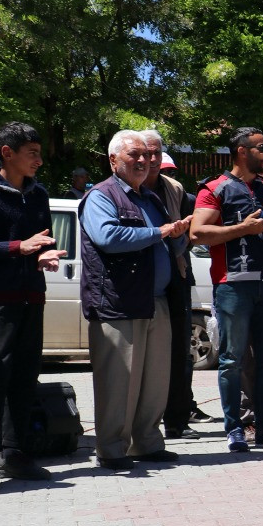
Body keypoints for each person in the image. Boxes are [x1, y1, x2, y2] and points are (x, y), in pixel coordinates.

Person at [0, 121, 67, 490]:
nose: (39, 160)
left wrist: (45, 256)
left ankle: (16, 454)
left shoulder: (39, 194)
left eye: (39, 153)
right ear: (7, 153)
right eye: (32, 153)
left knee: (25, 378)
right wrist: (18, 247)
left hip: (32, 297)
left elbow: (44, 241)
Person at [81, 131, 189, 470]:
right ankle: (112, 449)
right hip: (119, 302)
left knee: (154, 381)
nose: (144, 161)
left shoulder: (151, 197)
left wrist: (180, 234)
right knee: (119, 382)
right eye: (134, 155)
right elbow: (108, 237)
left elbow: (170, 243)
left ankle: (147, 443)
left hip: (156, 300)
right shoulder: (101, 195)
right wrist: (160, 232)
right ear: (113, 160)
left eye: (147, 155)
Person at [191, 126, 263, 452]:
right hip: (233, 286)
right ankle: (234, 430)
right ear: (242, 152)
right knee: (231, 360)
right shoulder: (215, 188)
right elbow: (197, 233)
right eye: (262, 148)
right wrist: (243, 228)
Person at [142, 139, 200, 442]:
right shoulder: (121, 190)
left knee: (179, 351)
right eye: (145, 153)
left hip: (176, 275)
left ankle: (177, 420)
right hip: (138, 280)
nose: (151, 159)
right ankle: (139, 426)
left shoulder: (176, 190)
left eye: (156, 153)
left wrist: (180, 236)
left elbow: (189, 237)